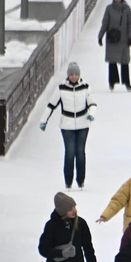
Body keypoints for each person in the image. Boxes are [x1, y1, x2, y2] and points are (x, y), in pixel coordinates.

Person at [39, 62, 96, 190]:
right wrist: (44, 120)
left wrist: (91, 114)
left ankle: (81, 180)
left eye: (76, 74)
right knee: (70, 152)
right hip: (67, 125)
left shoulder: (86, 87)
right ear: (68, 76)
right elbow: (51, 105)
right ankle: (68, 180)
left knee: (80, 152)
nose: (74, 77)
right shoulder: (61, 88)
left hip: (83, 124)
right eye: (71, 75)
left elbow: (92, 103)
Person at [97, 0, 131, 91]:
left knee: (124, 61)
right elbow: (105, 23)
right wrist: (100, 36)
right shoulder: (109, 9)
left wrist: (130, 37)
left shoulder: (126, 9)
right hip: (112, 39)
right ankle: (112, 82)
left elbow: (130, 23)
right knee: (112, 61)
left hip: (123, 39)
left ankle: (127, 82)